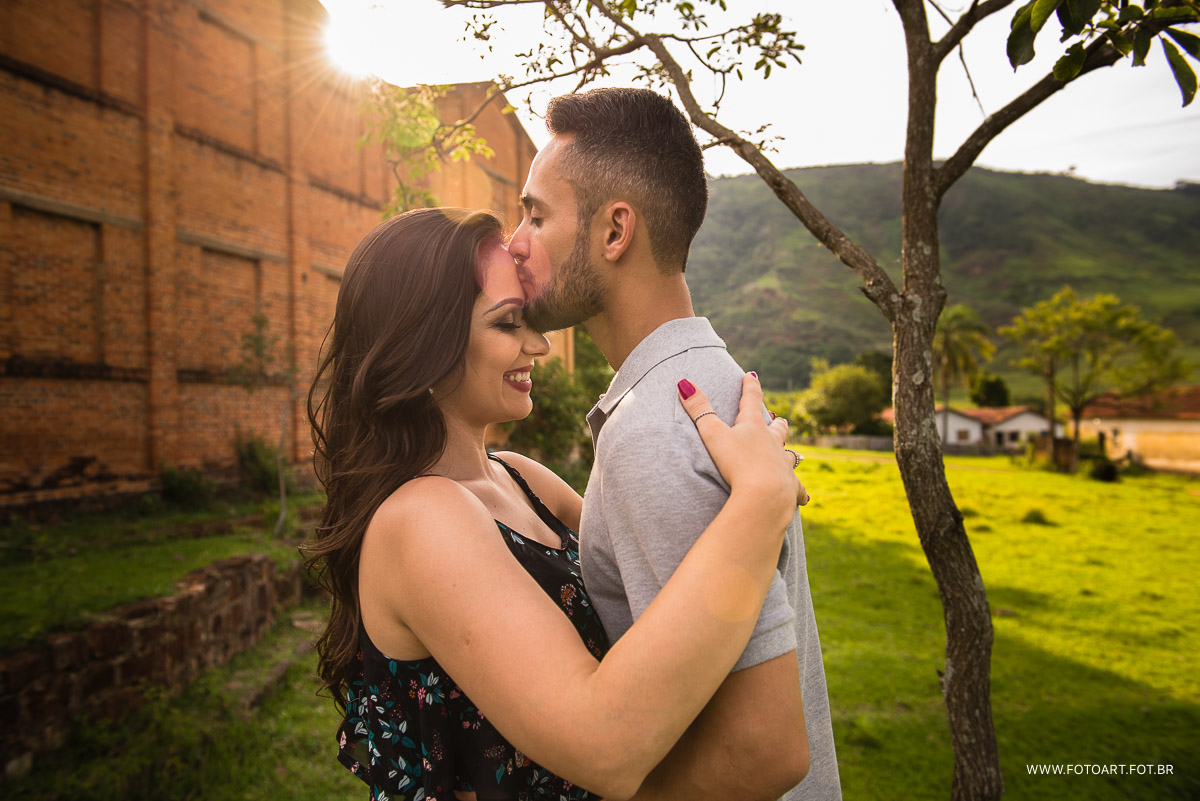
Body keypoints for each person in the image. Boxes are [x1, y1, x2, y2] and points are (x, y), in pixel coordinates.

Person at [305, 206, 807, 801]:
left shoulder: (521, 480)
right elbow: (605, 746)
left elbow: (652, 572)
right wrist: (758, 500)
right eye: (507, 323)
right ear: (424, 346)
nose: (540, 344)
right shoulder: (419, 521)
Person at [507, 87, 842, 800]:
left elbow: (762, 749)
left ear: (614, 231)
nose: (515, 240)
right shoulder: (701, 383)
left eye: (536, 215)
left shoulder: (662, 425)